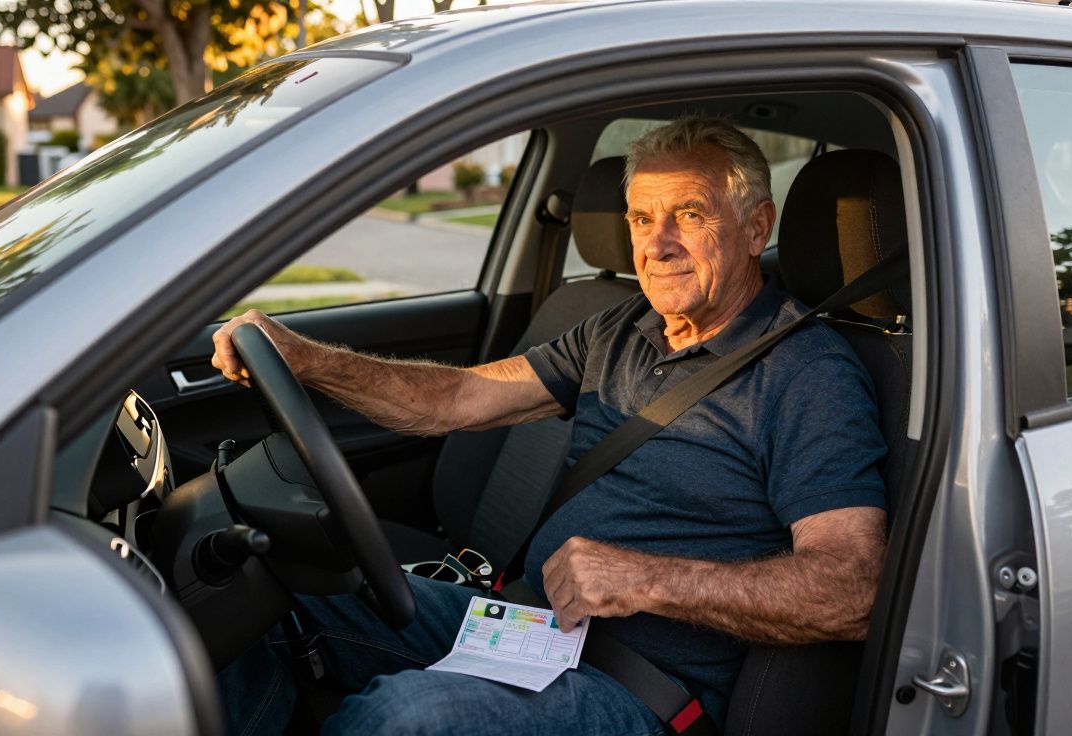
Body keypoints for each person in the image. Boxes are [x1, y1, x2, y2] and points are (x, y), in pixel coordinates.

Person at [211, 117, 888, 735]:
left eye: (687, 214)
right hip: (531, 626)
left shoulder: (809, 374)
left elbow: (851, 587)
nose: (657, 243)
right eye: (641, 217)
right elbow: (458, 398)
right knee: (261, 593)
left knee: (406, 718)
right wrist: (307, 360)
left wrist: (647, 580)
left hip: (642, 688)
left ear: (754, 227)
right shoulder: (622, 328)